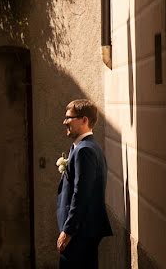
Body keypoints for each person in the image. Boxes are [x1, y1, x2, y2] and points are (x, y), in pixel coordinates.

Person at [56, 99, 112, 269]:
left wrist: (68, 231)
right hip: (83, 231)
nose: (64, 122)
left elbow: (81, 194)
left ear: (84, 120)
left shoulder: (85, 150)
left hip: (80, 233)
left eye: (69, 118)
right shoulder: (84, 147)